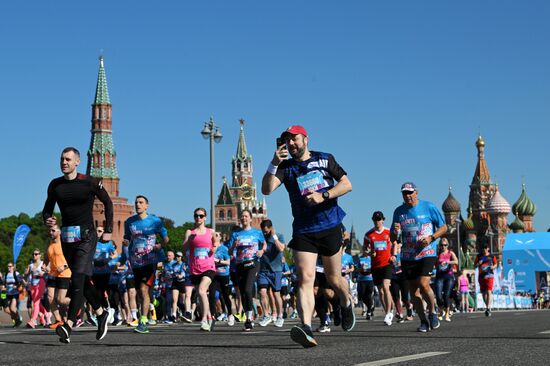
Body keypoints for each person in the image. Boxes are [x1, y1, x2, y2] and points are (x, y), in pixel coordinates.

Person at [262, 125, 354, 348]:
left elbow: (347, 184)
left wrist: (324, 195)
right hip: (304, 230)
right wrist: (273, 163)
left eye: (295, 139)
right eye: (287, 141)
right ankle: (306, 327)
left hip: (330, 225)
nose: (291, 144)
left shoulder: (325, 159)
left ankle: (346, 300)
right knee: (305, 278)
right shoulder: (285, 167)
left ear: (305, 139)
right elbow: (266, 189)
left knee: (334, 279)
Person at [42, 146, 114, 343]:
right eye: (62, 159)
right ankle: (101, 313)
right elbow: (47, 211)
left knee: (78, 278)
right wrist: (48, 219)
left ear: (77, 162)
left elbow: (108, 203)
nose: (64, 162)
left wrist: (108, 230)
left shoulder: (89, 182)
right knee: (80, 280)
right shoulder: (55, 185)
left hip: (87, 236)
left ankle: (69, 325)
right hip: (67, 238)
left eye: (67, 159)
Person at [390, 182, 447, 333]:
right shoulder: (399, 212)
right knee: (413, 291)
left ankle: (433, 312)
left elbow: (444, 227)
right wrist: (395, 232)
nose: (407, 195)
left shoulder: (428, 207)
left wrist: (431, 238)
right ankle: (423, 321)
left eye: (410, 192)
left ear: (416, 192)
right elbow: (392, 237)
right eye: (404, 193)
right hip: (408, 255)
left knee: (423, 284)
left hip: (426, 252)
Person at [124, 195, 169, 333]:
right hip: (136, 261)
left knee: (143, 290)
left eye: (141, 202)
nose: (138, 204)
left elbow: (166, 238)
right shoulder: (130, 222)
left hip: (150, 260)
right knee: (139, 292)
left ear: (146, 206)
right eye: (136, 202)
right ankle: (153, 301)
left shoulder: (155, 221)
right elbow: (127, 238)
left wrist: (160, 245)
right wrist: (126, 243)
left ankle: (143, 321)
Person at [228, 209, 266, 331]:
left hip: (253, 263)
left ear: (250, 218)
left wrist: (262, 251)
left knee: (248, 290)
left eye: (246, 216)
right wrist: (234, 245)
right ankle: (248, 313)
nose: (244, 218)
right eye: (242, 216)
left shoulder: (257, 232)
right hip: (240, 265)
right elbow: (230, 252)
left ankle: (249, 318)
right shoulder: (236, 234)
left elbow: (264, 244)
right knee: (243, 292)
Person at [182, 208, 219, 332]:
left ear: (205, 217)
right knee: (199, 294)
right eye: (196, 216)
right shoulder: (190, 232)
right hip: (195, 267)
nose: (198, 218)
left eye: (201, 216)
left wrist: (214, 247)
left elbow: (217, 240)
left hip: (208, 267)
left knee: (202, 291)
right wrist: (190, 240)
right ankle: (209, 316)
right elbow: (184, 248)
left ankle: (204, 320)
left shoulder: (210, 231)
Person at [364, 211, 395, 326]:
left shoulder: (388, 232)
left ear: (383, 220)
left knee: (386, 287)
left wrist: (394, 255)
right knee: (380, 291)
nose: (377, 222)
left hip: (387, 263)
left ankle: (388, 313)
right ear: (373, 220)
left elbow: (396, 243)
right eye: (375, 220)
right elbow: (365, 249)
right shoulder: (369, 234)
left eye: (379, 219)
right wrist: (368, 253)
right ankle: (389, 309)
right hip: (375, 265)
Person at [258, 219, 287, 328]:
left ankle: (280, 316)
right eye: (263, 231)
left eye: (266, 231)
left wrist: (274, 237)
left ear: (271, 228)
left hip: (276, 270)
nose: (265, 233)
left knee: (276, 294)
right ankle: (266, 315)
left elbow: (281, 248)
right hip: (263, 270)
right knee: (262, 292)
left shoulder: (279, 236)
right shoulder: (261, 238)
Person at [45, 225, 72, 329]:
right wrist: (46, 266)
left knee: (61, 300)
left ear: (60, 232)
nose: (50, 232)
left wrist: (64, 266)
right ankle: (58, 319)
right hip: (52, 274)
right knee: (50, 298)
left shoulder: (65, 244)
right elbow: (48, 259)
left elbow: (72, 258)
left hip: (64, 274)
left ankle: (76, 301)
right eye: (50, 230)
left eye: (53, 230)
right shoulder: (50, 244)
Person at [435, 238, 458, 322]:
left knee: (446, 295)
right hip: (439, 276)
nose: (443, 247)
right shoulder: (438, 254)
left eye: (445, 245)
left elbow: (456, 261)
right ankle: (442, 309)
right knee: (438, 295)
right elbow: (435, 264)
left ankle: (447, 313)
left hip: (449, 276)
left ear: (447, 245)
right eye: (441, 245)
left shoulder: (450, 253)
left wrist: (448, 262)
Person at [24, 249, 47, 328]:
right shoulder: (30, 265)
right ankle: (46, 315)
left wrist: (43, 273)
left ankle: (33, 320)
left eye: (36, 254)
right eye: (33, 254)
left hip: (41, 283)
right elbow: (26, 275)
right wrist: (26, 273)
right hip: (33, 285)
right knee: (38, 303)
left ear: (40, 255)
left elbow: (47, 272)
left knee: (36, 303)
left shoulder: (43, 263)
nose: (34, 255)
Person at [474, 246, 497, 317]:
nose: (484, 250)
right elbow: (474, 265)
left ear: (488, 249)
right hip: (481, 276)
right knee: (483, 293)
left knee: (489, 291)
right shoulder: (479, 256)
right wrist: (479, 263)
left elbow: (496, 264)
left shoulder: (492, 256)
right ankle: (487, 306)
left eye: (485, 248)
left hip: (490, 275)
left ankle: (488, 308)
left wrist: (493, 267)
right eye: (483, 248)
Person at [2, 262, 24, 327]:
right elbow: (4, 283)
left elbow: (20, 282)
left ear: (13, 267)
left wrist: (16, 286)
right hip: (7, 293)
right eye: (8, 266)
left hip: (15, 293)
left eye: (10, 266)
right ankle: (17, 318)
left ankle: (18, 319)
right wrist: (3, 287)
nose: (9, 268)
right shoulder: (6, 274)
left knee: (12, 308)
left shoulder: (16, 274)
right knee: (6, 309)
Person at [356, 246, 375, 320]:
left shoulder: (372, 258)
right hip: (361, 280)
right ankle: (371, 306)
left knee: (369, 295)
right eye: (365, 249)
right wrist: (361, 269)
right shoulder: (360, 258)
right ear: (363, 250)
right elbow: (356, 270)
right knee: (361, 296)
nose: (367, 250)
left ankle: (369, 312)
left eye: (368, 249)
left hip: (370, 279)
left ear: (370, 250)